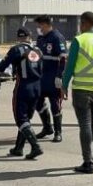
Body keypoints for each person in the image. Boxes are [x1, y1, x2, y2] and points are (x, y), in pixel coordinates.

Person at [61, 11, 93, 174]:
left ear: (83, 23)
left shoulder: (79, 40)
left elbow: (69, 66)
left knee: (85, 125)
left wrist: (64, 85)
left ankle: (87, 162)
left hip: (81, 90)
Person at [0, 27, 44, 160]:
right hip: (37, 87)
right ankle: (18, 148)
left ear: (18, 38)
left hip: (23, 87)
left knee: (21, 119)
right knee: (26, 119)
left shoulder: (16, 50)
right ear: (30, 36)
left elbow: (3, 64)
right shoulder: (38, 50)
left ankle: (35, 146)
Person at [34, 15, 67, 143]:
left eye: (40, 25)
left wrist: (60, 76)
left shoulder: (57, 37)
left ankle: (58, 132)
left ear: (46, 24)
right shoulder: (41, 39)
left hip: (54, 78)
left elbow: (63, 58)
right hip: (41, 78)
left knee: (55, 105)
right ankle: (47, 127)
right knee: (38, 102)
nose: (38, 28)